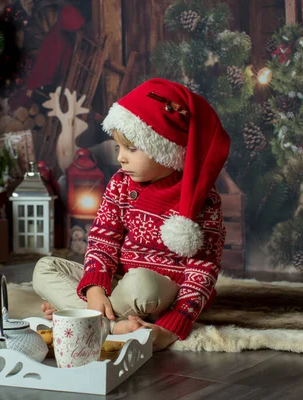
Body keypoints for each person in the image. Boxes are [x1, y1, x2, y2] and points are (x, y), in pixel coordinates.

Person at [32, 78, 230, 351]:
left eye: (132, 149)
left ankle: (76, 315)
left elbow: (203, 270)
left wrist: (173, 324)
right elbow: (103, 239)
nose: (121, 158)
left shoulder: (203, 198)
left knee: (142, 283)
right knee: (46, 268)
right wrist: (95, 288)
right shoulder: (121, 183)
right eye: (119, 148)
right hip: (118, 283)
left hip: (159, 291)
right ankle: (109, 324)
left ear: (166, 148)